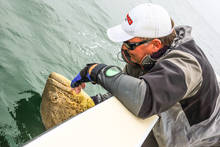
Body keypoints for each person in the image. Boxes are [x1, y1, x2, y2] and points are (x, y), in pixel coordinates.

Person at [70, 3, 220, 147]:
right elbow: (126, 90)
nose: (124, 48)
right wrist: (92, 103)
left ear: (155, 44)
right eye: (123, 41)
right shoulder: (148, 56)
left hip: (200, 140)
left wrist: (97, 72)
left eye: (130, 44)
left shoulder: (186, 66)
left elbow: (144, 100)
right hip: (167, 118)